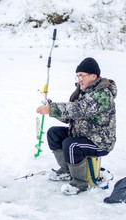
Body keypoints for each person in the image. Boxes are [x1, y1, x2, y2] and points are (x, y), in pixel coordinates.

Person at [36, 57, 117, 195]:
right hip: (83, 134)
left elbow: (79, 109)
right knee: (54, 133)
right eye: (78, 75)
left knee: (71, 144)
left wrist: (53, 109)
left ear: (93, 76)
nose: (79, 79)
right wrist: (51, 107)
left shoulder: (102, 94)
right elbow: (70, 116)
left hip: (100, 141)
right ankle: (67, 171)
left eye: (82, 75)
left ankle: (80, 183)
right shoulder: (83, 92)